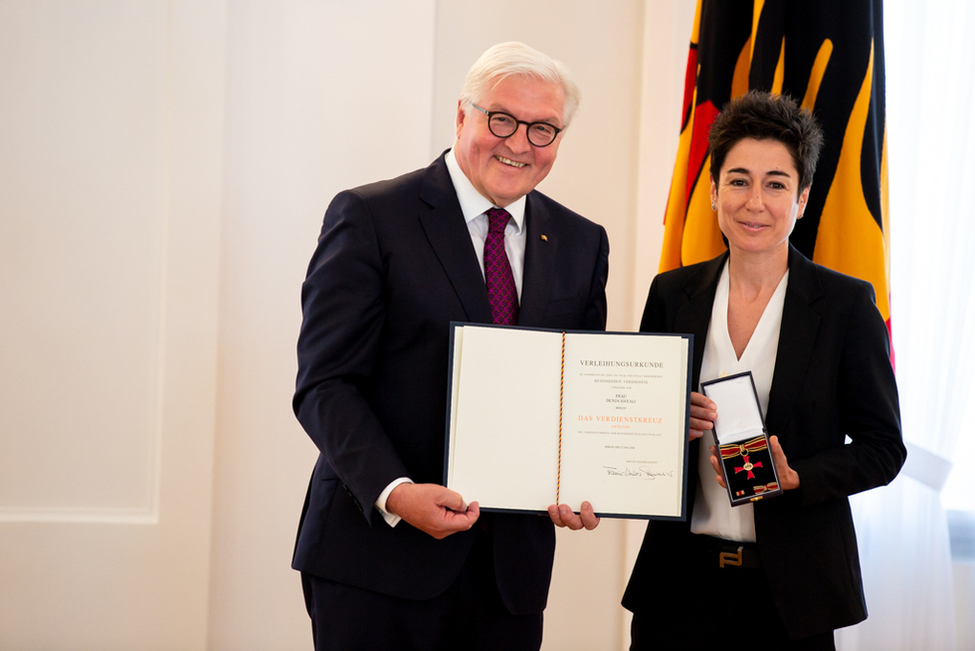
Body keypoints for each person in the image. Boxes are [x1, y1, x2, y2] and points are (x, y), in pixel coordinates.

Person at [292, 42, 607, 651]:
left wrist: (584, 479)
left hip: (508, 575)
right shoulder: (370, 216)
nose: (519, 143)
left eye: (543, 129)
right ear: (462, 116)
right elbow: (325, 385)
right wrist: (395, 492)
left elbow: (578, 391)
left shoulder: (580, 241)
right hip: (375, 560)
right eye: (502, 119)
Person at [622, 90, 906, 650]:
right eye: (739, 180)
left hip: (792, 598)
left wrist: (798, 476)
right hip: (678, 585)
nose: (755, 201)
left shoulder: (847, 306)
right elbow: (635, 416)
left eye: (776, 183)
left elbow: (884, 448)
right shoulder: (671, 293)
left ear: (802, 199)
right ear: (712, 192)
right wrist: (663, 421)